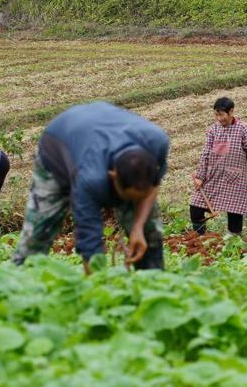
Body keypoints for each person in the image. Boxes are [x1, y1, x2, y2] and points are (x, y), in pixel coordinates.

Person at [12, 101, 169, 273]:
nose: (128, 205)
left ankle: (152, 280)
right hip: (58, 145)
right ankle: (16, 284)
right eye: (126, 199)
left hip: (96, 131)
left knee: (149, 231)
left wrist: (138, 227)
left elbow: (152, 187)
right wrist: (97, 288)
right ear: (112, 176)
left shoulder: (157, 143)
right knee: (37, 233)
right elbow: (89, 238)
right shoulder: (90, 178)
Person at [190, 96, 247, 236]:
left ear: (231, 112)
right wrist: (200, 176)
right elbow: (206, 154)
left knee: (235, 212)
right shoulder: (213, 130)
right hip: (213, 177)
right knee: (195, 205)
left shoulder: (243, 129)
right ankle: (198, 239)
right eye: (216, 115)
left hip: (235, 179)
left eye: (221, 114)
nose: (219, 118)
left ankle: (234, 242)